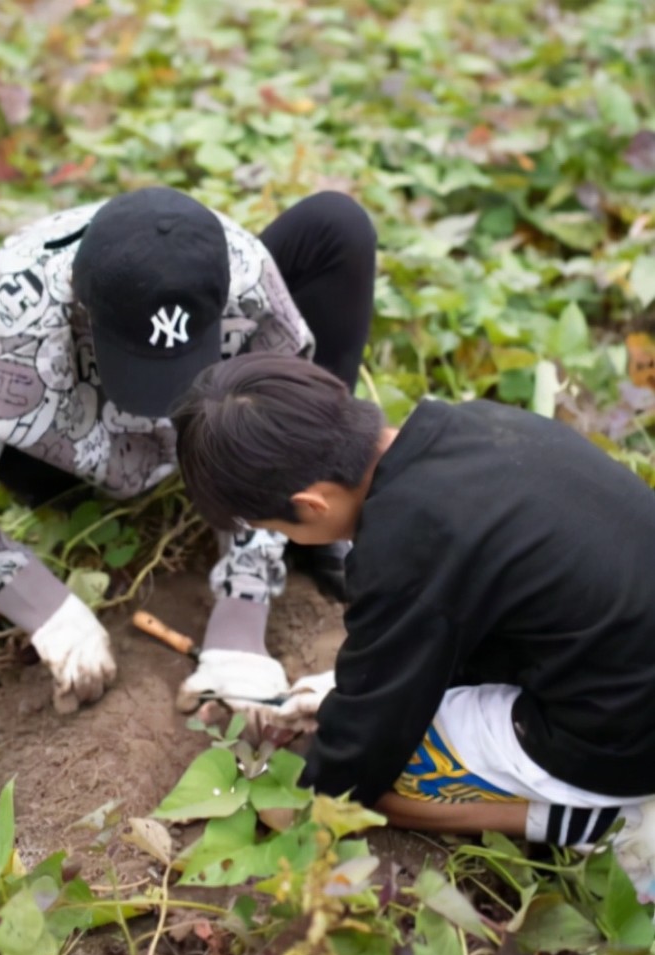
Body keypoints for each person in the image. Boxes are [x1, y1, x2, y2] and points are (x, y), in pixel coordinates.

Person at [0, 187, 377, 712]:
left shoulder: (245, 277)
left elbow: (282, 421)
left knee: (334, 225)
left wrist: (241, 614)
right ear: (80, 312)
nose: (157, 413)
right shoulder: (10, 327)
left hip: (211, 431)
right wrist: (46, 609)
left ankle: (310, 521)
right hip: (64, 453)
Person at [171, 352, 655, 901]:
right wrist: (347, 690)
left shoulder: (406, 546)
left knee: (398, 778)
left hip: (624, 736)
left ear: (311, 503)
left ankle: (590, 824)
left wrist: (308, 801)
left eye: (273, 528)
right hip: (623, 653)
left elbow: (368, 742)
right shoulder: (472, 423)